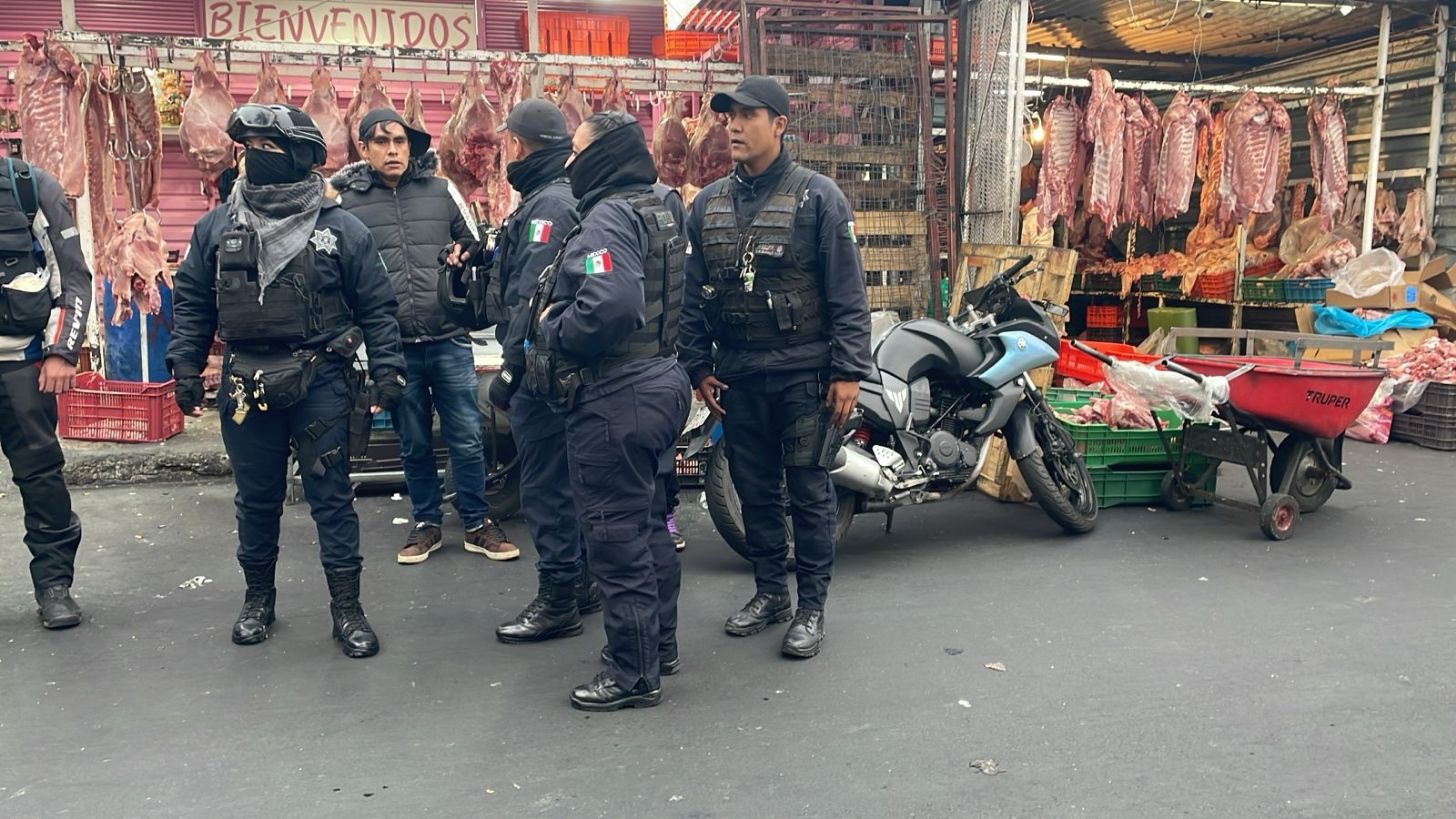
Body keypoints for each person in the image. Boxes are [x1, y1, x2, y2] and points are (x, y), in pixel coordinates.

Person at [167, 103, 407, 659]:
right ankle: (258, 600)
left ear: (301, 156)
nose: (256, 157)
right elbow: (193, 304)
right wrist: (185, 366)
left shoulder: (340, 228)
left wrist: (388, 371)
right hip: (246, 383)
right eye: (250, 148)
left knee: (331, 500)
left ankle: (347, 609)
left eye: (269, 148)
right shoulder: (216, 227)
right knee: (256, 501)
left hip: (320, 381)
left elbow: (377, 308)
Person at [679, 76, 872, 660]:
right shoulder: (706, 204)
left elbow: (848, 293)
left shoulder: (819, 198)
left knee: (808, 491)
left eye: (748, 115)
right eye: (729, 116)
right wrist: (697, 364)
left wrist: (848, 371)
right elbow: (692, 295)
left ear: (780, 125)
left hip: (804, 375)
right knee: (754, 490)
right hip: (738, 375)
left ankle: (811, 606)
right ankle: (770, 593)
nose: (734, 126)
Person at [524, 110, 690, 711]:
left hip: (617, 395)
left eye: (576, 151)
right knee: (649, 522)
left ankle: (633, 673)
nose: (568, 161)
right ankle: (657, 646)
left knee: (616, 536)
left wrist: (554, 327)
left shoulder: (608, 217)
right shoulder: (661, 203)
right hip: (660, 381)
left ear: (601, 154)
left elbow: (611, 304)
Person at [330, 109, 517, 565]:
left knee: (467, 436)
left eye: (399, 141)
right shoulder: (348, 203)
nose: (392, 150)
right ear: (364, 149)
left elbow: (476, 244)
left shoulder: (440, 190)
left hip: (448, 336)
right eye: (381, 142)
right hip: (391, 346)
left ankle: (476, 522)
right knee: (412, 441)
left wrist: (465, 251)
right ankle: (426, 524)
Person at [477, 99, 601, 643]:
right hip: (558, 367)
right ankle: (582, 583)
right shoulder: (552, 197)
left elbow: (531, 299)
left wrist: (511, 369)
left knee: (547, 488)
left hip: (542, 371)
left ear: (519, 144)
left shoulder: (549, 205)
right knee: (566, 482)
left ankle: (558, 600)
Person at [0, 157, 92, 629]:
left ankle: (54, 585)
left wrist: (62, 351)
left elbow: (73, 276)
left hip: (21, 365)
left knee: (41, 480)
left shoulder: (29, 187)